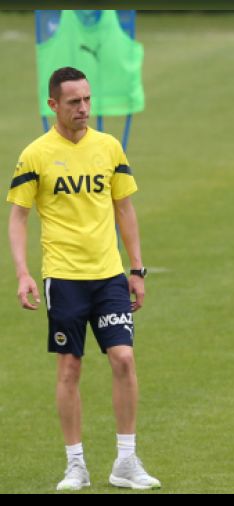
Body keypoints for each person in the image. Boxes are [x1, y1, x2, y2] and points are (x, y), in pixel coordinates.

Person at [7, 67, 160, 491]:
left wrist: (136, 269)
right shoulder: (35, 154)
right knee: (70, 367)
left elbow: (124, 209)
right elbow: (18, 218)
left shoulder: (109, 147)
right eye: (74, 102)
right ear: (53, 105)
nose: (84, 108)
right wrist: (23, 272)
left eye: (88, 99)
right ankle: (75, 465)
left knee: (124, 359)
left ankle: (126, 461)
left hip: (108, 275)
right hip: (64, 278)